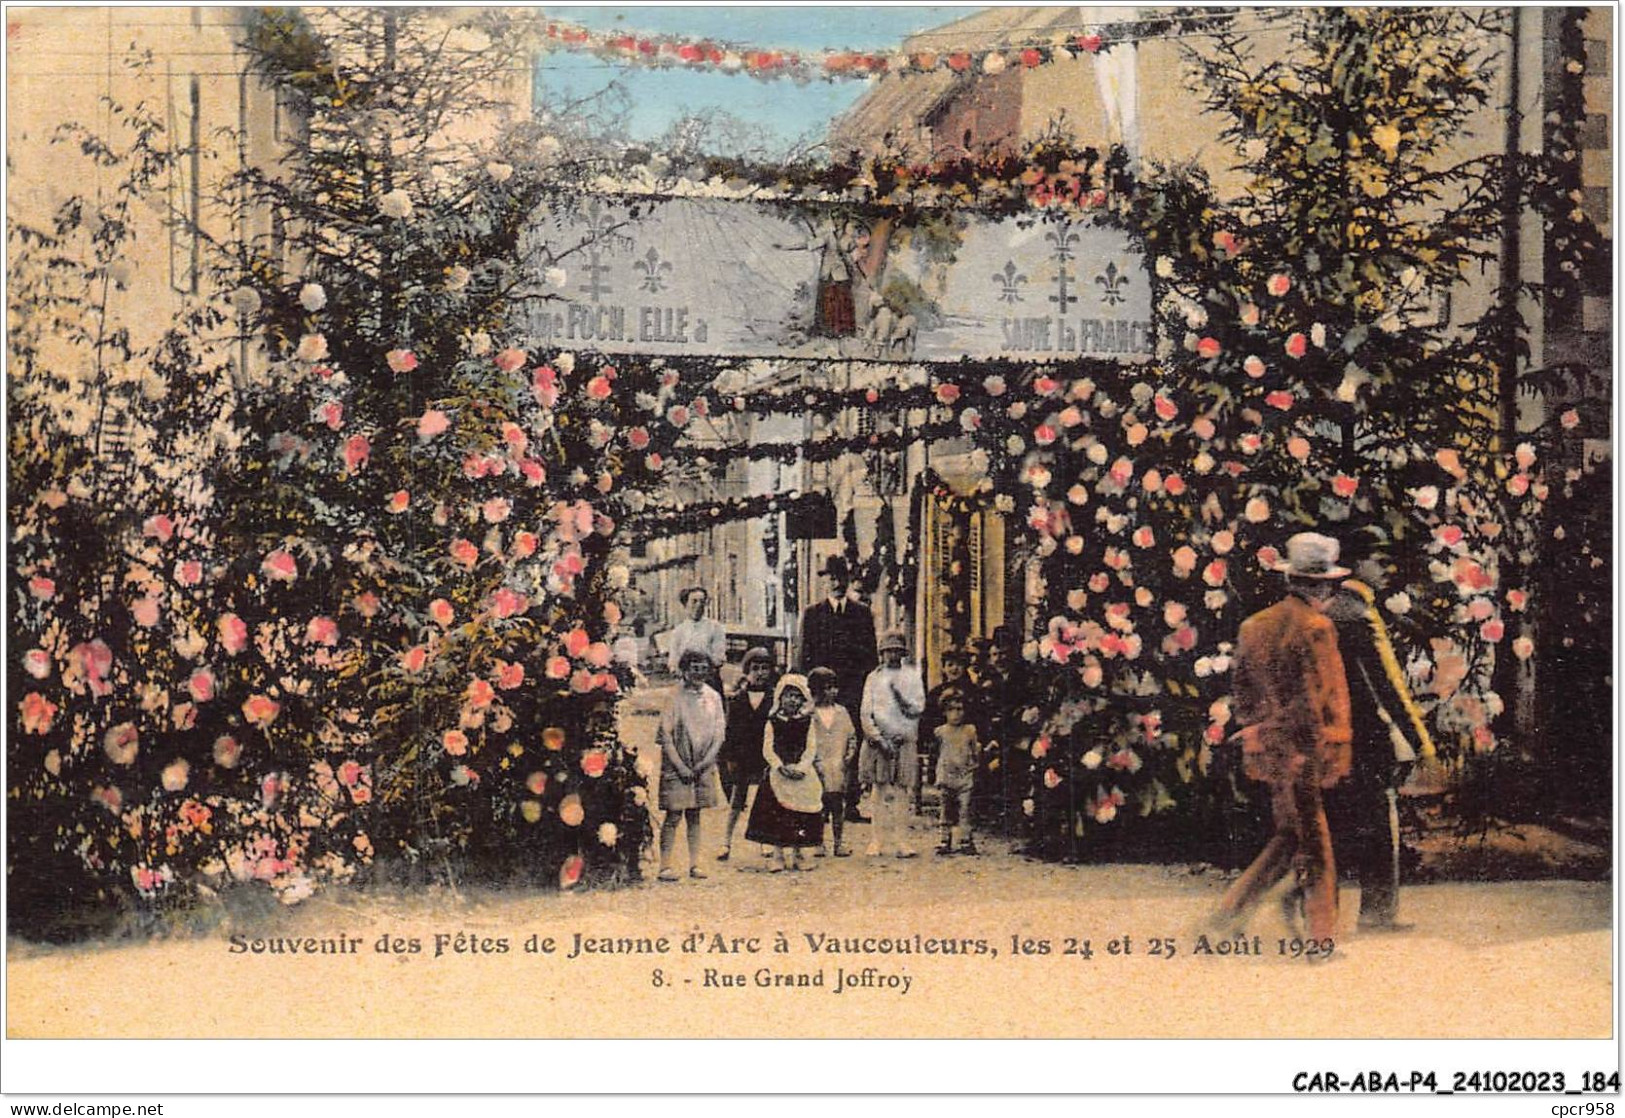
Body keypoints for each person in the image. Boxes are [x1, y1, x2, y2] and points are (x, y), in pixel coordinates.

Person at [1210, 532, 1353, 946]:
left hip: (1271, 754)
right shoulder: (1316, 628)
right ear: (1321, 586)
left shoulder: (1254, 626)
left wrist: (1259, 732)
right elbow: (1313, 704)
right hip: (1305, 752)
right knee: (1317, 846)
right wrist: (1314, 747)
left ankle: (1229, 912)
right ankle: (1322, 937)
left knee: (1289, 835)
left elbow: (1243, 694)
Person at [1319, 563, 1437, 931]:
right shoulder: (1357, 613)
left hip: (1326, 734)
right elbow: (1388, 685)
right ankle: (1378, 914)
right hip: (1367, 737)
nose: (1388, 570)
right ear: (1358, 564)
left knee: (1326, 827)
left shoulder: (1324, 609)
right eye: (1379, 560)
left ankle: (1322, 915)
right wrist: (1419, 741)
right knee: (1378, 827)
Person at [799, 555, 878, 821]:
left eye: (841, 577)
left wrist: (866, 690)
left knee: (850, 744)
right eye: (831, 578)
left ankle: (850, 802)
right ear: (824, 582)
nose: (836, 583)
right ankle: (821, 800)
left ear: (848, 580)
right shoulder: (813, 614)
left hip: (852, 691)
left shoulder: (861, 613)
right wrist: (810, 691)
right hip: (821, 692)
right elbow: (804, 658)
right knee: (821, 744)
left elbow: (870, 657)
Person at [655, 649, 727, 882]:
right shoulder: (673, 696)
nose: (699, 672)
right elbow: (665, 735)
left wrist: (706, 762)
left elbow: (719, 734)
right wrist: (680, 766)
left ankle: (695, 864)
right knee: (674, 814)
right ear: (684, 669)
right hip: (678, 761)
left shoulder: (713, 697)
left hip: (703, 762)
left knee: (695, 814)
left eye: (703, 668)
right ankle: (665, 865)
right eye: (694, 667)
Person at [745, 674, 825, 872]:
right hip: (779, 773)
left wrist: (802, 767)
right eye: (788, 695)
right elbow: (767, 748)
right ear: (780, 697)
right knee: (778, 814)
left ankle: (798, 854)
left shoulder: (807, 722)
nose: (793, 700)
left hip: (801, 772)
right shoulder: (773, 721)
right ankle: (778, 855)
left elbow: (811, 748)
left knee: (800, 812)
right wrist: (780, 766)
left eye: (798, 696)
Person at [859, 629, 926, 858]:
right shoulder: (873, 678)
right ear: (881, 653)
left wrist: (902, 734)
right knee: (878, 791)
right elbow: (866, 712)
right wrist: (878, 737)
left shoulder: (912, 677)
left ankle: (901, 841)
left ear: (903, 653)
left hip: (903, 741)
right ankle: (877, 840)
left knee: (901, 792)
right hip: (879, 742)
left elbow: (917, 709)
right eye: (888, 652)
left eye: (897, 651)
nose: (892, 656)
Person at [717, 647, 776, 863]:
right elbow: (730, 731)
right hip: (743, 755)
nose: (760, 673)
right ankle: (726, 841)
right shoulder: (737, 699)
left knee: (765, 798)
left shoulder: (773, 698)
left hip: (765, 755)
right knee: (736, 799)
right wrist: (730, 757)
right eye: (755, 668)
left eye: (764, 668)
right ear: (747, 671)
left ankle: (765, 841)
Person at [806, 666, 858, 857]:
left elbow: (852, 736)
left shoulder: (842, 712)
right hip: (817, 766)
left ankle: (838, 843)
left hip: (838, 766)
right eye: (828, 688)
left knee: (838, 806)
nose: (833, 692)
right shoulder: (810, 713)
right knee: (819, 808)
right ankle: (818, 842)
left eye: (834, 687)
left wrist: (849, 755)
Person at [933, 690, 981, 856]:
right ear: (944, 712)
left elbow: (975, 751)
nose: (956, 714)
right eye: (951, 709)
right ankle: (944, 840)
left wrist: (973, 766)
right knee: (945, 810)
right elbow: (937, 754)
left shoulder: (969, 730)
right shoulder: (940, 732)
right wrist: (938, 774)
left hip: (965, 776)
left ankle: (966, 841)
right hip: (946, 775)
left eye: (959, 709)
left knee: (965, 810)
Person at [666, 587, 726, 694]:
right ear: (685, 604)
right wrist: (676, 670)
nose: (698, 605)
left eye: (702, 602)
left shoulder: (715, 627)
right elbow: (673, 660)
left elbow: (719, 657)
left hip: (710, 682)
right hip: (686, 682)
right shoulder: (678, 631)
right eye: (694, 601)